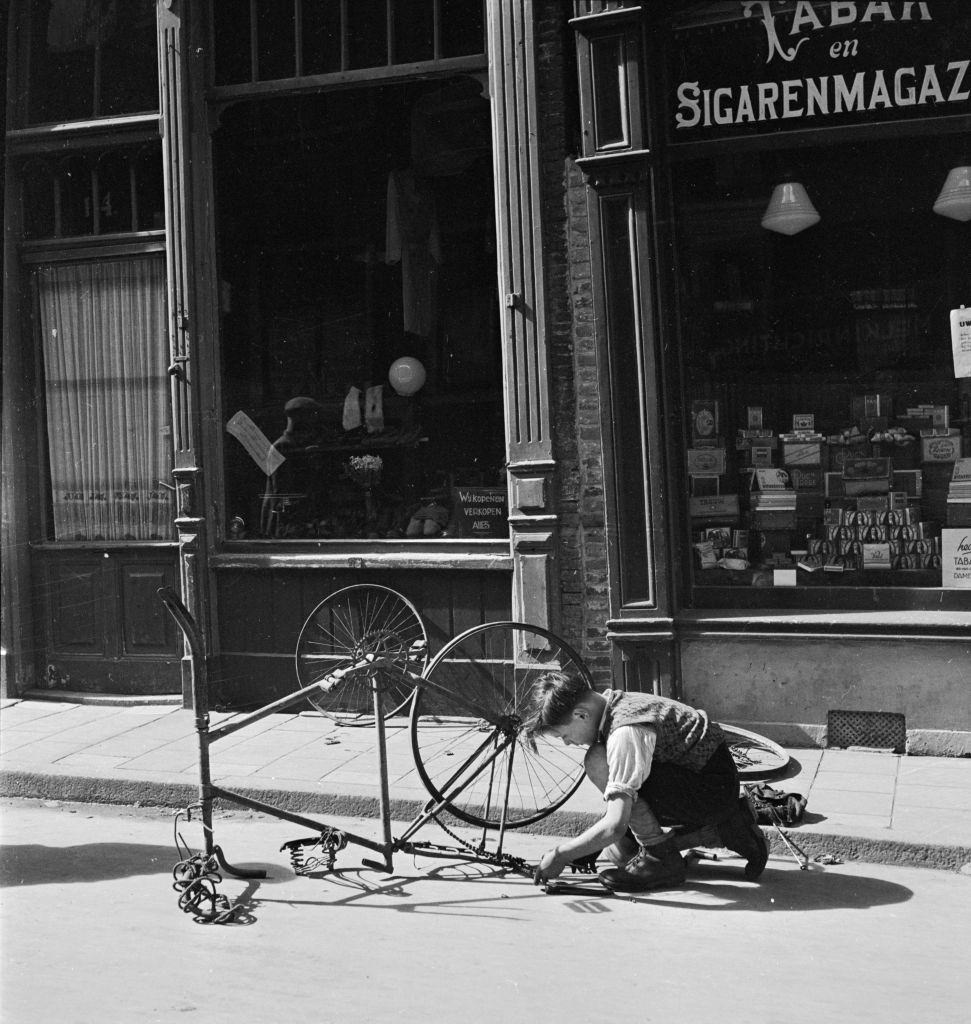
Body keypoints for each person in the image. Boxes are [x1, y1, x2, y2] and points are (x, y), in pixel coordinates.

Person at [526, 672, 768, 892]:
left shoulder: (625, 731)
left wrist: (561, 855)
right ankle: (726, 829)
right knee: (622, 855)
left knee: (597, 760)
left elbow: (614, 825)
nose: (568, 743)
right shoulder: (614, 702)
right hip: (706, 781)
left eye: (564, 735)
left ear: (581, 714)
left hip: (711, 790)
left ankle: (659, 857)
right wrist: (588, 847)